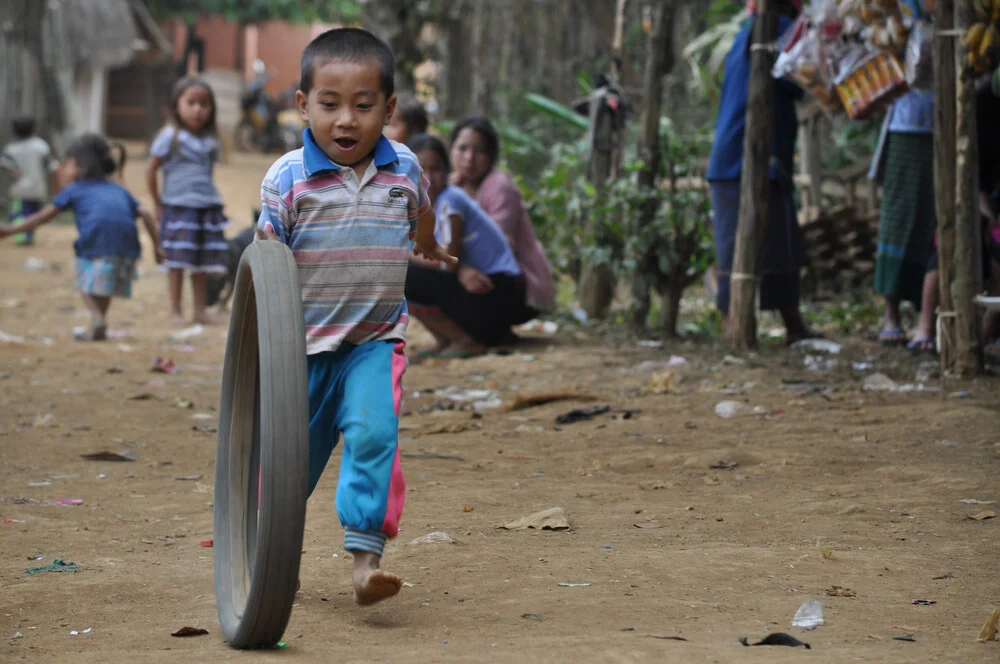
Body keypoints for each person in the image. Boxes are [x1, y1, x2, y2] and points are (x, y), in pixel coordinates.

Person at [256, 28, 453, 606]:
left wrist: (429, 244)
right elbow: (263, 267)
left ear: (389, 109)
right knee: (289, 465)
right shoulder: (287, 179)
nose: (346, 120)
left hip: (375, 339)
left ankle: (365, 561)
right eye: (330, 104)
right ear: (302, 105)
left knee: (374, 434)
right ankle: (276, 559)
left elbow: (422, 206)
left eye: (364, 106)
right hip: (302, 349)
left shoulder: (406, 169)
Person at [706, 0, 814, 343]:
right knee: (768, 243)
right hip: (750, 156)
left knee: (761, 242)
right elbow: (798, 80)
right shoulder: (777, 28)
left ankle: (783, 322)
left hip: (736, 157)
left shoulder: (747, 31)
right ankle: (746, 323)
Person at [0, 134, 163, 340]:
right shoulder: (119, 190)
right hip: (127, 248)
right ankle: (99, 322)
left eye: (67, 163)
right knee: (103, 286)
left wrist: (10, 231)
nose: (64, 168)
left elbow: (42, 218)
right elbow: (147, 213)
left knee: (85, 282)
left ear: (80, 166)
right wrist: (158, 247)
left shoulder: (74, 190)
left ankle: (97, 318)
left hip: (97, 244)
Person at [405, 134, 530, 357]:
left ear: (447, 171)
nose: (429, 179)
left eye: (437, 170)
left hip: (497, 292)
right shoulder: (424, 206)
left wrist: (400, 253)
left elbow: (448, 262)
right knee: (399, 271)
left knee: (401, 273)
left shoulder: (450, 201)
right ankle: (444, 339)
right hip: (482, 290)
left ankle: (464, 340)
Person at [910, 82, 1000, 355]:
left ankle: (989, 328)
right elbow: (972, 180)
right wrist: (987, 216)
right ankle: (925, 326)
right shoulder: (980, 110)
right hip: (968, 198)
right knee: (947, 245)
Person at [449, 117, 556, 316]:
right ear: (451, 150)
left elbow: (495, 247)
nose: (469, 158)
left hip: (517, 285)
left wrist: (459, 267)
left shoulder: (499, 186)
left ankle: (482, 333)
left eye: (479, 151)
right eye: (462, 149)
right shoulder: (453, 188)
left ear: (491, 155)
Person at [146, 77, 228, 327]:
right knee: (177, 263)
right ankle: (175, 311)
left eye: (204, 104)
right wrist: (158, 203)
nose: (197, 109)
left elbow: (207, 173)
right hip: (179, 207)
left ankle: (200, 311)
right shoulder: (169, 136)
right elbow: (151, 171)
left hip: (206, 207)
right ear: (176, 105)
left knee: (201, 263)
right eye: (191, 102)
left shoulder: (210, 141)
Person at [869, 89, 936, 345]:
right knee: (897, 221)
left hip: (949, 124)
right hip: (905, 127)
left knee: (935, 223)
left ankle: (927, 320)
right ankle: (891, 315)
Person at [1, 116, 58, 246]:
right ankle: (29, 236)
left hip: (19, 190)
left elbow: (10, 170)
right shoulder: (41, 146)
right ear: (33, 129)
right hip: (39, 189)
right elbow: (52, 167)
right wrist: (55, 189)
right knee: (35, 214)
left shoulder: (11, 148)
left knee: (20, 214)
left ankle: (22, 237)